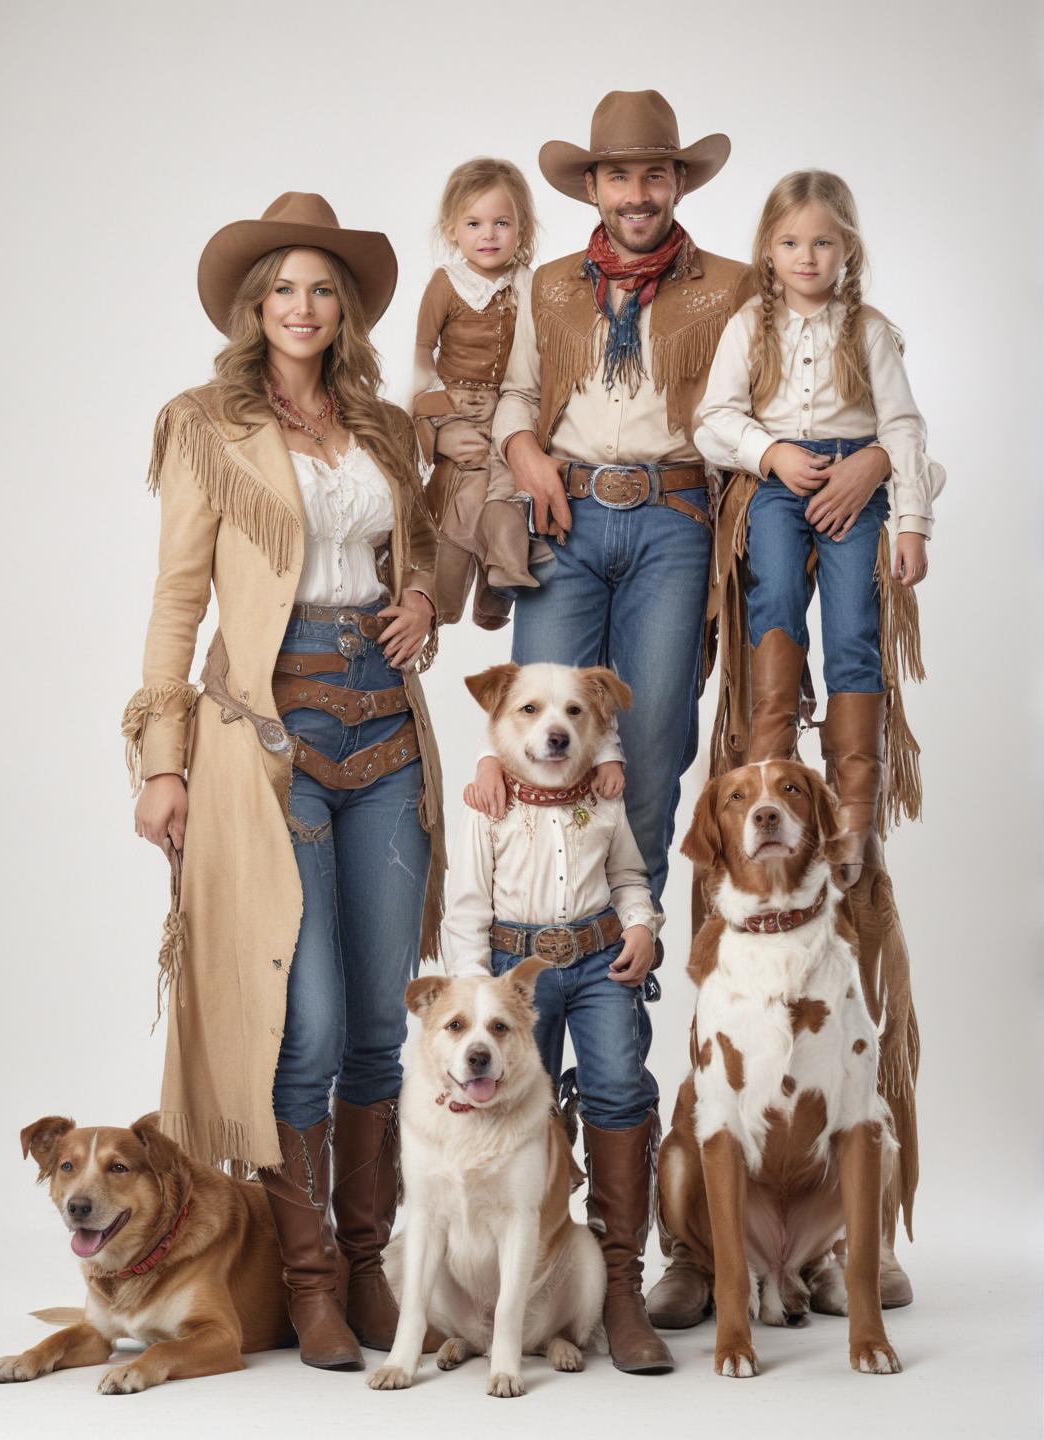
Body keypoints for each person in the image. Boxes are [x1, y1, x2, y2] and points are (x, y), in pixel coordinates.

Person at [124, 193, 445, 1372]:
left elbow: (418, 556)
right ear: (254, 311)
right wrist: (163, 761)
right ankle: (308, 1282)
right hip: (269, 728)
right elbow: (179, 600)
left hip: (386, 725)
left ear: (344, 310)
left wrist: (423, 600)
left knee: (377, 1021)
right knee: (303, 1022)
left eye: (321, 290)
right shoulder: (206, 425)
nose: (302, 307)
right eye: (282, 291)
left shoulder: (386, 427)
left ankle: (366, 1263)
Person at [466, 89, 752, 1375]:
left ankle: (612, 979)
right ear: (592, 188)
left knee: (646, 758)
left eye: (656, 177)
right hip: (573, 512)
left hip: (675, 514)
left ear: (677, 186)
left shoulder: (730, 285)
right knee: (535, 743)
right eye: (618, 177)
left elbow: (762, 398)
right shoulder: (548, 286)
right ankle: (528, 996)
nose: (637, 195)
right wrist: (525, 453)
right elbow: (511, 395)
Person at [694, 168, 946, 1307]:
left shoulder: (868, 331)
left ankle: (847, 803)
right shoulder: (747, 329)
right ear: (769, 250)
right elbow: (712, 419)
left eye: (825, 245)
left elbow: (903, 425)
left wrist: (895, 495)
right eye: (792, 243)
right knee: (771, 622)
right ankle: (766, 759)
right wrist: (769, 458)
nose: (808, 259)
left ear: (847, 252)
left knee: (852, 638)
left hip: (852, 478)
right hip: (781, 478)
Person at [411, 157, 545, 629]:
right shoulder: (447, 284)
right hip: (456, 403)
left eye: (501, 223)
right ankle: (443, 595)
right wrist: (437, 411)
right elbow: (422, 351)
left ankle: (499, 583)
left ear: (522, 229)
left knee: (507, 488)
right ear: (453, 229)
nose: (488, 235)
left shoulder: (530, 284)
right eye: (474, 224)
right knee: (463, 491)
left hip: (509, 405)